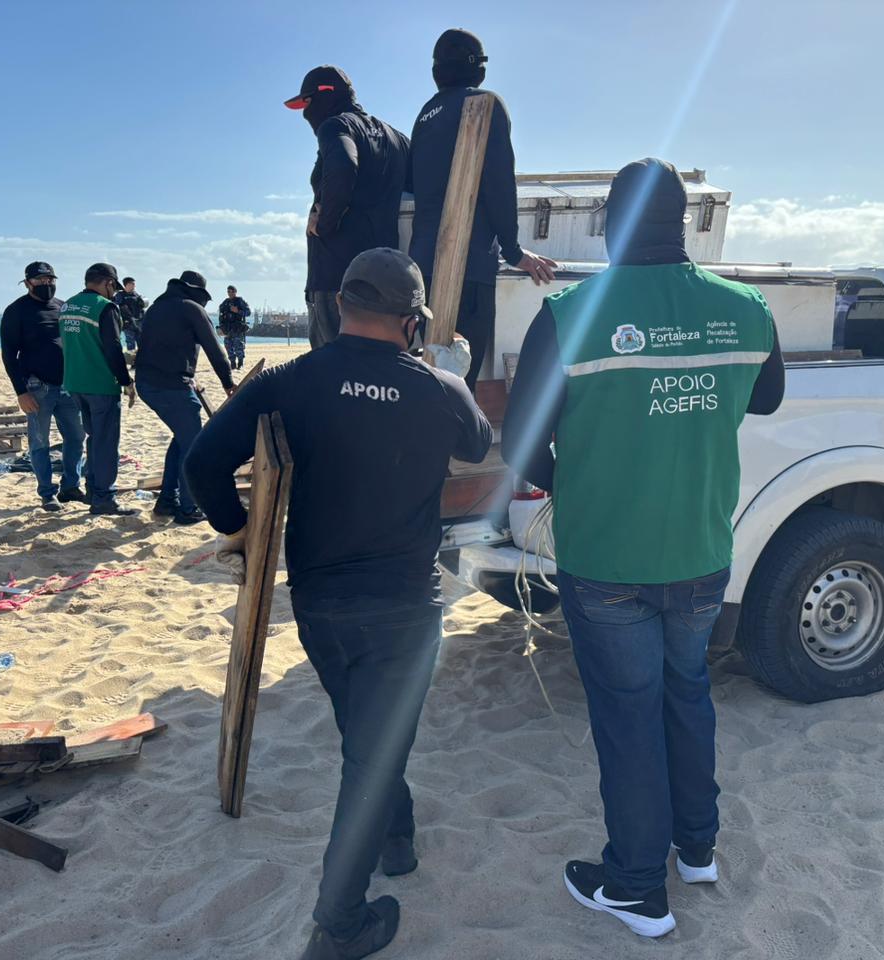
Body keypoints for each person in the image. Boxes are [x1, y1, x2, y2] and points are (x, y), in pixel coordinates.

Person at [502, 158, 785, 939]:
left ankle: (635, 886)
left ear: (606, 224)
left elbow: (520, 442)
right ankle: (697, 848)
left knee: (628, 717)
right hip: (700, 547)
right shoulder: (745, 309)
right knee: (686, 693)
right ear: (688, 223)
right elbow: (766, 394)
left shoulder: (569, 313)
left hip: (606, 559)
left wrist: (576, 481)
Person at [184, 248, 491, 960]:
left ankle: (398, 838)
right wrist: (451, 369)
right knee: (373, 751)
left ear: (338, 310)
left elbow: (201, 462)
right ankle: (339, 923)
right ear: (413, 322)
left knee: (369, 734)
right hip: (406, 607)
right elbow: (477, 446)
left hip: (321, 602)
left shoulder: (296, 378)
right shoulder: (439, 386)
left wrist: (241, 530)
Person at [408, 28, 558, 390]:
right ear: (478, 68)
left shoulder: (426, 114)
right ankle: (453, 446)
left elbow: (415, 185)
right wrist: (514, 250)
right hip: (468, 266)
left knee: (433, 367)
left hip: (423, 267)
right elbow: (498, 182)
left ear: (437, 70)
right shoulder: (485, 104)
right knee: (459, 378)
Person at [284, 66, 410, 351]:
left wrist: (324, 223)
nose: (305, 114)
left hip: (335, 279)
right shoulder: (396, 138)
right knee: (375, 371)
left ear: (325, 96)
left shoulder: (336, 126)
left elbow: (343, 165)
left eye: (306, 103)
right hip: (385, 276)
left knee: (331, 376)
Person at [135, 271, 236, 524]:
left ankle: (167, 500)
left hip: (147, 383)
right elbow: (215, 349)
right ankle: (188, 508)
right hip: (171, 386)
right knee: (194, 446)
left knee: (182, 439)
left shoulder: (156, 307)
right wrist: (228, 383)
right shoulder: (191, 309)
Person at [0, 261, 86, 512]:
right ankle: (47, 494)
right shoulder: (16, 311)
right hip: (37, 387)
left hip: (69, 385)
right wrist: (21, 392)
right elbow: (9, 355)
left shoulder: (63, 307)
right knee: (39, 442)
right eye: (40, 281)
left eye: (50, 280)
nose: (47, 285)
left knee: (76, 437)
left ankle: (71, 486)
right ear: (28, 283)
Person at [59, 262, 139, 517]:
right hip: (100, 385)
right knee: (105, 443)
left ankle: (93, 490)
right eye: (113, 287)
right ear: (107, 283)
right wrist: (126, 381)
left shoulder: (68, 306)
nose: (114, 292)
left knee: (94, 439)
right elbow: (113, 347)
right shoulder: (105, 308)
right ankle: (104, 497)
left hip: (74, 383)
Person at [217, 285, 252, 370]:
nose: (230, 293)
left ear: (235, 292)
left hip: (237, 328)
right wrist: (220, 327)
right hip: (227, 328)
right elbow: (221, 313)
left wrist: (238, 311)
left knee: (238, 346)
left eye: (232, 291)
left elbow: (248, 312)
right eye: (229, 291)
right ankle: (232, 363)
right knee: (228, 346)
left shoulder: (240, 301)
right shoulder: (225, 302)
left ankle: (240, 363)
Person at [113, 277, 147, 352]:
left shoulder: (137, 295)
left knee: (142, 344)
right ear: (127, 285)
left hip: (139, 324)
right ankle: (131, 361)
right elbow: (113, 304)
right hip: (128, 323)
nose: (135, 286)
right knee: (130, 344)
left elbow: (142, 309)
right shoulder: (120, 295)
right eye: (133, 284)